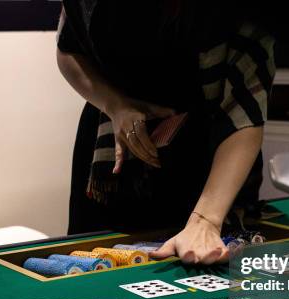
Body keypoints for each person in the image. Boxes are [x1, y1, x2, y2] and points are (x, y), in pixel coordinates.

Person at [57, 0, 275, 264]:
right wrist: (115, 105)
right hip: (111, 150)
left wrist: (205, 220)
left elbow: (245, 106)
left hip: (208, 151)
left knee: (202, 268)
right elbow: (68, 50)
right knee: (96, 274)